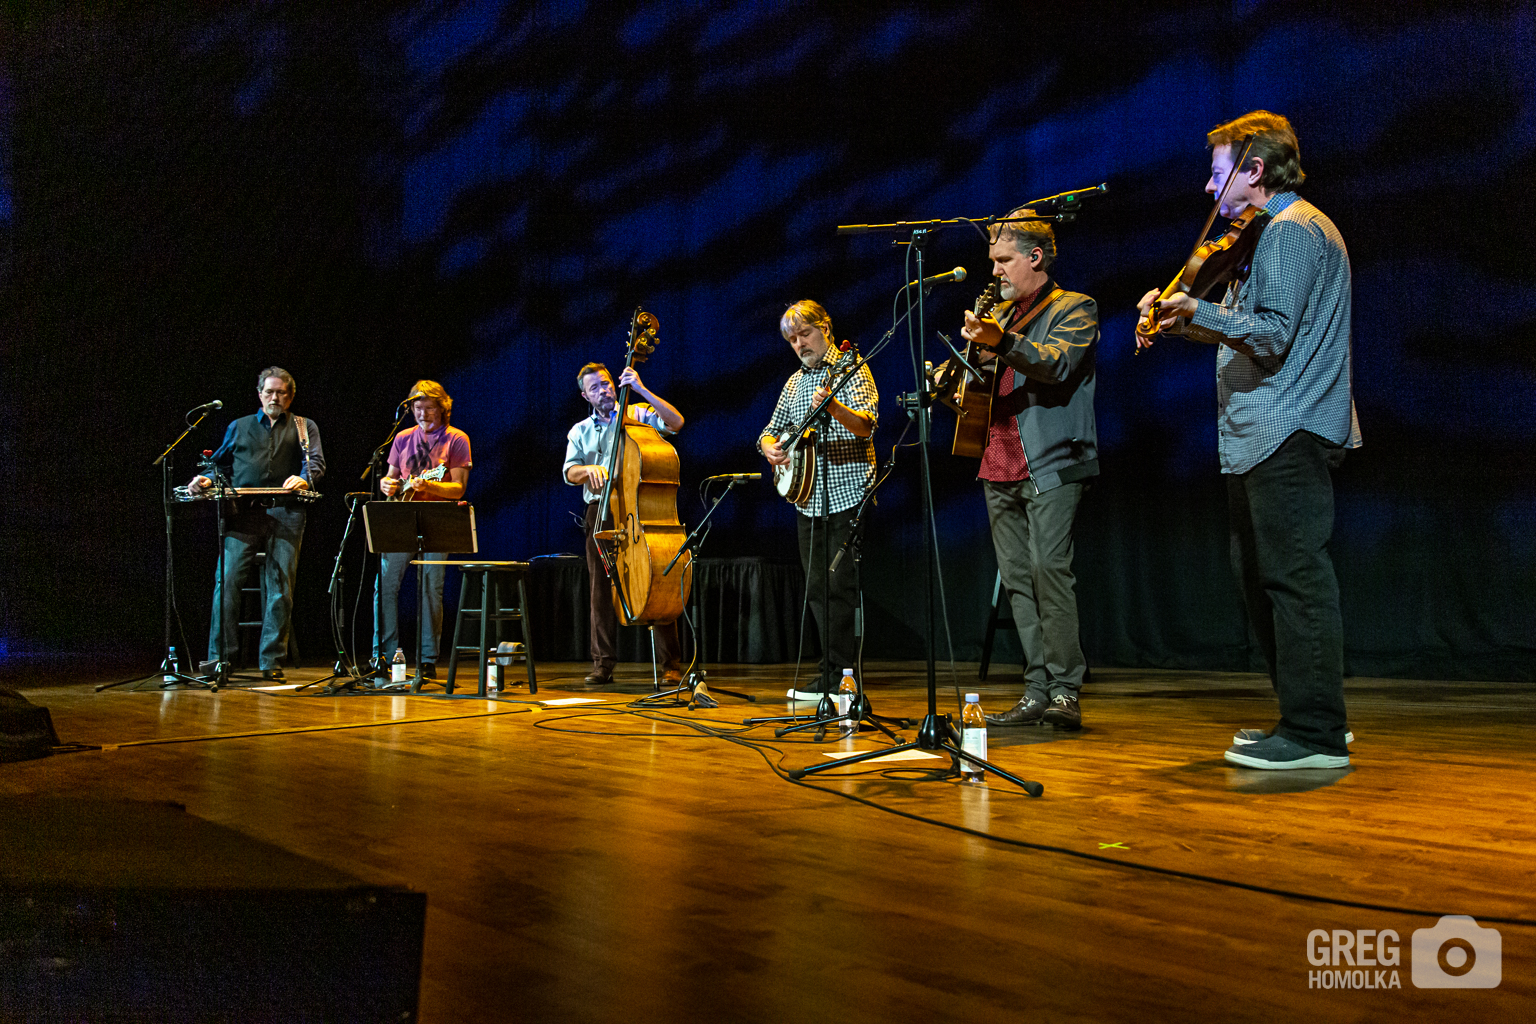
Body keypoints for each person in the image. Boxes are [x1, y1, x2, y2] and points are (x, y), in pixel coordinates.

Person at [1136, 110, 1361, 770]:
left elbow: (1270, 334)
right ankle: (1308, 717)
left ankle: (1316, 734)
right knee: (1261, 577)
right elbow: (1247, 324)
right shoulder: (1269, 234)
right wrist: (1182, 319)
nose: (1210, 189)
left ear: (1253, 170)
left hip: (1286, 425)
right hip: (1262, 431)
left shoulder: (1291, 231)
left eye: (1217, 172)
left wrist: (1195, 310)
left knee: (1293, 580)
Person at [959, 209, 1099, 730]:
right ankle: (1036, 690)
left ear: (1035, 257)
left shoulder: (1075, 307)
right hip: (997, 462)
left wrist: (1001, 343)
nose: (993, 271)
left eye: (1003, 260)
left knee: (1048, 573)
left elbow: (1056, 363)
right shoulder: (1002, 320)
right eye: (991, 261)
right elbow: (980, 390)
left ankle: (1065, 690)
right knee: (1019, 580)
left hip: (1051, 460)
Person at [758, 301, 878, 701]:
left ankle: (847, 677)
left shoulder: (851, 369)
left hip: (847, 493)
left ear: (825, 328)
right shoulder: (794, 383)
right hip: (808, 497)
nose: (798, 344)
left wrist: (833, 405)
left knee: (839, 586)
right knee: (815, 589)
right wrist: (770, 448)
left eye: (804, 334)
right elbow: (770, 430)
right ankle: (828, 673)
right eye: (791, 339)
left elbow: (865, 426)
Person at [188, 366, 325, 681]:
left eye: (281, 393)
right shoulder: (239, 426)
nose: (274, 397)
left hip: (287, 513)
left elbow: (315, 463)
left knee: (280, 588)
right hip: (244, 513)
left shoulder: (305, 427)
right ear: (260, 394)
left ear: (290, 397)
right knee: (227, 581)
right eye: (269, 392)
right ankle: (221, 660)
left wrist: (304, 480)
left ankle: (271, 661)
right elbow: (219, 465)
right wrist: (205, 480)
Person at [564, 363, 686, 687]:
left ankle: (671, 664)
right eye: (594, 388)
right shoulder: (579, 431)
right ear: (585, 395)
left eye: (605, 384)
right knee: (599, 589)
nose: (602, 391)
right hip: (600, 511)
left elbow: (676, 423)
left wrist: (642, 389)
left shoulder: (637, 413)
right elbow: (569, 472)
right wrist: (588, 470)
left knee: (656, 577)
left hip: (639, 511)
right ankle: (603, 663)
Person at [372, 380, 472, 679]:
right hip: (402, 515)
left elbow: (458, 488)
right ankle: (384, 656)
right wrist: (386, 484)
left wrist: (429, 485)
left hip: (437, 519)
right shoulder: (402, 438)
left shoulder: (456, 439)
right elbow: (391, 479)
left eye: (429, 408)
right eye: (418, 408)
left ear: (443, 409)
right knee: (385, 587)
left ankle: (428, 658)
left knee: (431, 588)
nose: (423, 414)